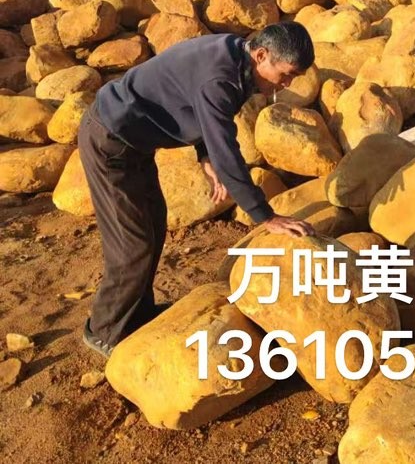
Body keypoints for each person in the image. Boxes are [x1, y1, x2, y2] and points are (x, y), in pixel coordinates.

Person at [77, 22, 317, 359]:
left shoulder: (236, 57)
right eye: (286, 74)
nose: (287, 84)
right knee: (133, 242)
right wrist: (266, 217)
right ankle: (104, 331)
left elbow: (199, 109)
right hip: (111, 141)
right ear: (262, 55)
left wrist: (205, 158)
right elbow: (226, 149)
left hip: (134, 142)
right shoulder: (221, 77)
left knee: (153, 224)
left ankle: (136, 314)